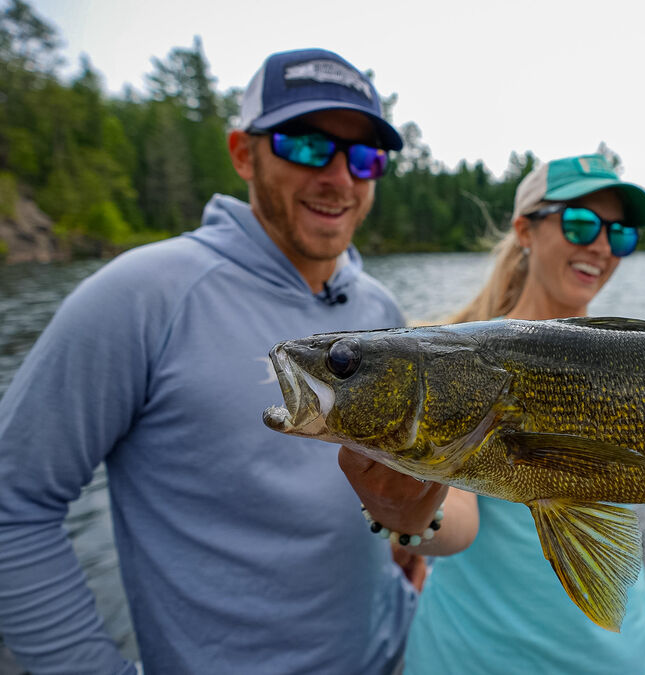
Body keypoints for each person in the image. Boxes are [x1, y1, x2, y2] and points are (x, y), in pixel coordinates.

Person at [0, 48, 436, 674]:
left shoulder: (378, 307)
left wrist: (406, 537)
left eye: (365, 157)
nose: (339, 177)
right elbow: (14, 504)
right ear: (242, 153)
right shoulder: (142, 295)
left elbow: (382, 504)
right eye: (307, 146)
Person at [339, 154, 645, 674]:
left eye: (619, 234)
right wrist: (408, 514)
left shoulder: (634, 361)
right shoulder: (448, 363)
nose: (600, 245)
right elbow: (459, 524)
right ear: (525, 230)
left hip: (624, 657)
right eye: (580, 223)